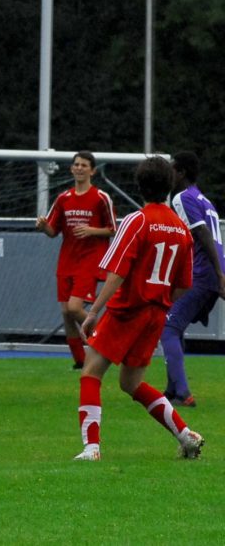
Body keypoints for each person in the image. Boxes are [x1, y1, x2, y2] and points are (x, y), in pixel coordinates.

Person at [75, 156, 204, 462]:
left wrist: (93, 311)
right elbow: (185, 284)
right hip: (155, 314)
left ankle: (91, 448)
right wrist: (161, 298)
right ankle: (186, 435)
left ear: (140, 186)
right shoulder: (181, 229)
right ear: (169, 186)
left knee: (91, 372)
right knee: (130, 383)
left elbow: (117, 272)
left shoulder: (138, 220)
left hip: (128, 309)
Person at [35, 151, 116, 369]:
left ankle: (108, 341)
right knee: (66, 312)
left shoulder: (101, 197)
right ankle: (79, 359)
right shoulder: (63, 198)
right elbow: (53, 232)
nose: (79, 168)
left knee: (74, 307)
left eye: (84, 165)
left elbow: (113, 229)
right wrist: (43, 227)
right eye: (76, 165)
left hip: (90, 260)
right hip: (67, 261)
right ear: (71, 169)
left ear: (93, 171)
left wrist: (91, 230)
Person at [160, 151, 225, 407]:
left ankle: (183, 393)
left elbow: (202, 233)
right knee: (175, 324)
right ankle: (172, 388)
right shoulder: (203, 199)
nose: (169, 175)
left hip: (203, 274)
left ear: (181, 173)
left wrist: (219, 274)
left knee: (168, 328)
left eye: (172, 170)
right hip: (209, 273)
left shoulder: (182, 197)